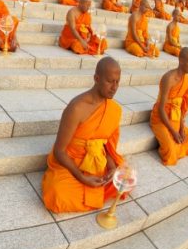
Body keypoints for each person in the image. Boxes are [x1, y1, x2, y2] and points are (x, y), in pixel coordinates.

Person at [42, 57, 125, 212]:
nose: (114, 87)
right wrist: (81, 177)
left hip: (97, 161)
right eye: (109, 81)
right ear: (96, 78)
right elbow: (59, 151)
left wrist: (112, 167)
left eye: (117, 82)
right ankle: (93, 193)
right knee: (57, 194)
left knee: (122, 181)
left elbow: (105, 145)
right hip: (72, 162)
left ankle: (96, 190)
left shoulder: (114, 109)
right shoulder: (76, 108)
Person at [150, 48, 188, 165]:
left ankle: (176, 148)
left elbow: (181, 106)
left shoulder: (186, 79)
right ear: (181, 61)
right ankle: (173, 149)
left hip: (175, 117)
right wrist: (173, 132)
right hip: (161, 119)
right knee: (170, 152)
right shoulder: (169, 78)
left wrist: (181, 128)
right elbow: (161, 109)